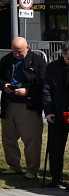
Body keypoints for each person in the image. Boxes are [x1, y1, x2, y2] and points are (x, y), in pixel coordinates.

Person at [0, 37, 47, 178]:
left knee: (31, 139)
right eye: (14, 51)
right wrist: (4, 86)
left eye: (20, 51)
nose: (17, 54)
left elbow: (43, 84)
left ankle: (32, 170)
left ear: (27, 48)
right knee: (8, 138)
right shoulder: (6, 60)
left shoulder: (38, 61)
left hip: (28, 106)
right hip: (9, 104)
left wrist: (27, 91)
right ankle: (14, 166)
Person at [42, 42, 69, 187]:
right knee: (55, 148)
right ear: (62, 54)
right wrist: (49, 112)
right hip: (58, 114)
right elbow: (46, 90)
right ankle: (56, 177)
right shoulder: (53, 67)